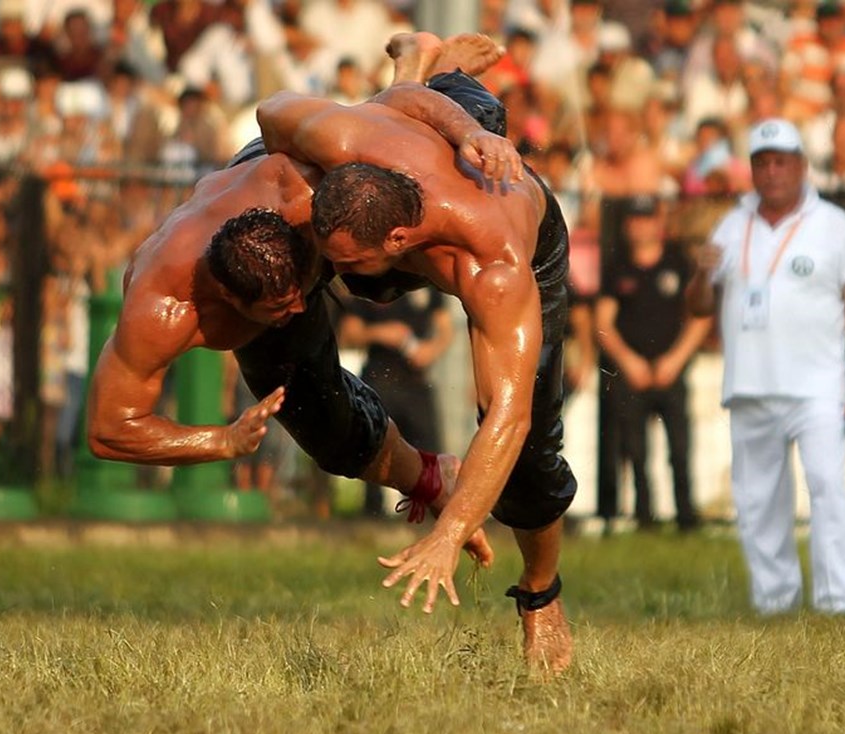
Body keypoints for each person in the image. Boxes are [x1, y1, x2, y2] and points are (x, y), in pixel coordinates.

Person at [85, 32, 517, 584]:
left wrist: (466, 125)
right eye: (278, 309)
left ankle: (431, 69)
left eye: (298, 296)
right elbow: (107, 428)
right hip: (275, 245)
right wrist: (219, 440)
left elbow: (383, 119)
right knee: (325, 431)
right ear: (232, 302)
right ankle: (432, 477)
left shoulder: (311, 190)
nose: (294, 312)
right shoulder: (163, 307)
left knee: (432, 207)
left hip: (307, 192)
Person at [256, 42, 577, 674]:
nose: (334, 278)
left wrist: (448, 535)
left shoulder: (494, 264)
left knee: (531, 452)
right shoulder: (348, 137)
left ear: (400, 241)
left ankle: (542, 594)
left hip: (513, 227)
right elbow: (272, 110)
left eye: (344, 261)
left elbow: (504, 421)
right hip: (416, 139)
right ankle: (425, 72)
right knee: (452, 119)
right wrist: (450, 124)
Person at [684, 118, 845, 615]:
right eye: (761, 163)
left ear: (801, 166)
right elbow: (699, 306)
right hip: (750, 383)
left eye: (781, 162)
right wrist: (703, 275)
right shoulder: (732, 221)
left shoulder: (834, 224)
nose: (771, 172)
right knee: (757, 502)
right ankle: (775, 603)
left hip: (819, 386)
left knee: (829, 488)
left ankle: (839, 602)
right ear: (751, 169)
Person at [595, 194, 711, 532]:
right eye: (633, 220)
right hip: (633, 374)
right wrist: (629, 362)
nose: (639, 226)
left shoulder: (677, 264)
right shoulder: (618, 268)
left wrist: (675, 361)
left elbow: (700, 317)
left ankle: (687, 520)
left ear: (658, 224)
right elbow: (603, 323)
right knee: (636, 453)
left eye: (646, 219)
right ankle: (645, 520)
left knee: (679, 449)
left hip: (670, 370)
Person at [338, 286, 453, 518]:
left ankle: (430, 515)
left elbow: (445, 330)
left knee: (429, 451)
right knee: (375, 449)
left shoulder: (426, 282)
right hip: (379, 381)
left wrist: (430, 350)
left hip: (416, 382)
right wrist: (381, 333)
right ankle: (373, 515)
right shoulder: (371, 279)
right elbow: (347, 334)